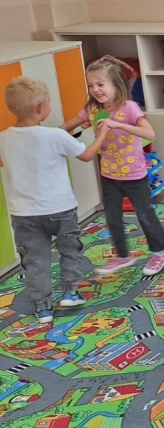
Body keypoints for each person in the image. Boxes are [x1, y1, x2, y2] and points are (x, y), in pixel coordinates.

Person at [0, 77, 110, 323]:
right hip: (60, 209)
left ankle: (43, 307)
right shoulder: (54, 136)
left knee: (34, 259)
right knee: (69, 249)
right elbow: (86, 155)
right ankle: (70, 292)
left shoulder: (4, 138)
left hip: (23, 214)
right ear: (41, 108)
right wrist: (101, 133)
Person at [60, 56, 164, 276]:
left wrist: (118, 124)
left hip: (135, 174)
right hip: (109, 174)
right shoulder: (92, 109)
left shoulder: (129, 108)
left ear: (116, 84)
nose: (95, 89)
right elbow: (67, 126)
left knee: (144, 214)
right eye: (91, 85)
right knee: (112, 217)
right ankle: (123, 255)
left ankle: (161, 251)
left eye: (100, 84)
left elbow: (149, 133)